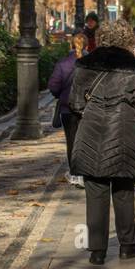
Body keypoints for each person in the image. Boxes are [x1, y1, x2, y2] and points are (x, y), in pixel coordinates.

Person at [69, 19, 135, 265]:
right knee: (124, 191)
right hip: (124, 135)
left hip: (91, 135)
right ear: (127, 38)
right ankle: (127, 245)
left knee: (95, 192)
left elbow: (75, 104)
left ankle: (97, 250)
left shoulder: (85, 65)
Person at [47, 32, 87, 186]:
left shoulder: (63, 64)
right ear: (86, 45)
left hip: (68, 109)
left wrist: (61, 95)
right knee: (85, 140)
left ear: (71, 44)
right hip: (86, 108)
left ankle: (75, 174)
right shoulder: (90, 64)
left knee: (71, 141)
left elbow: (53, 86)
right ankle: (85, 173)